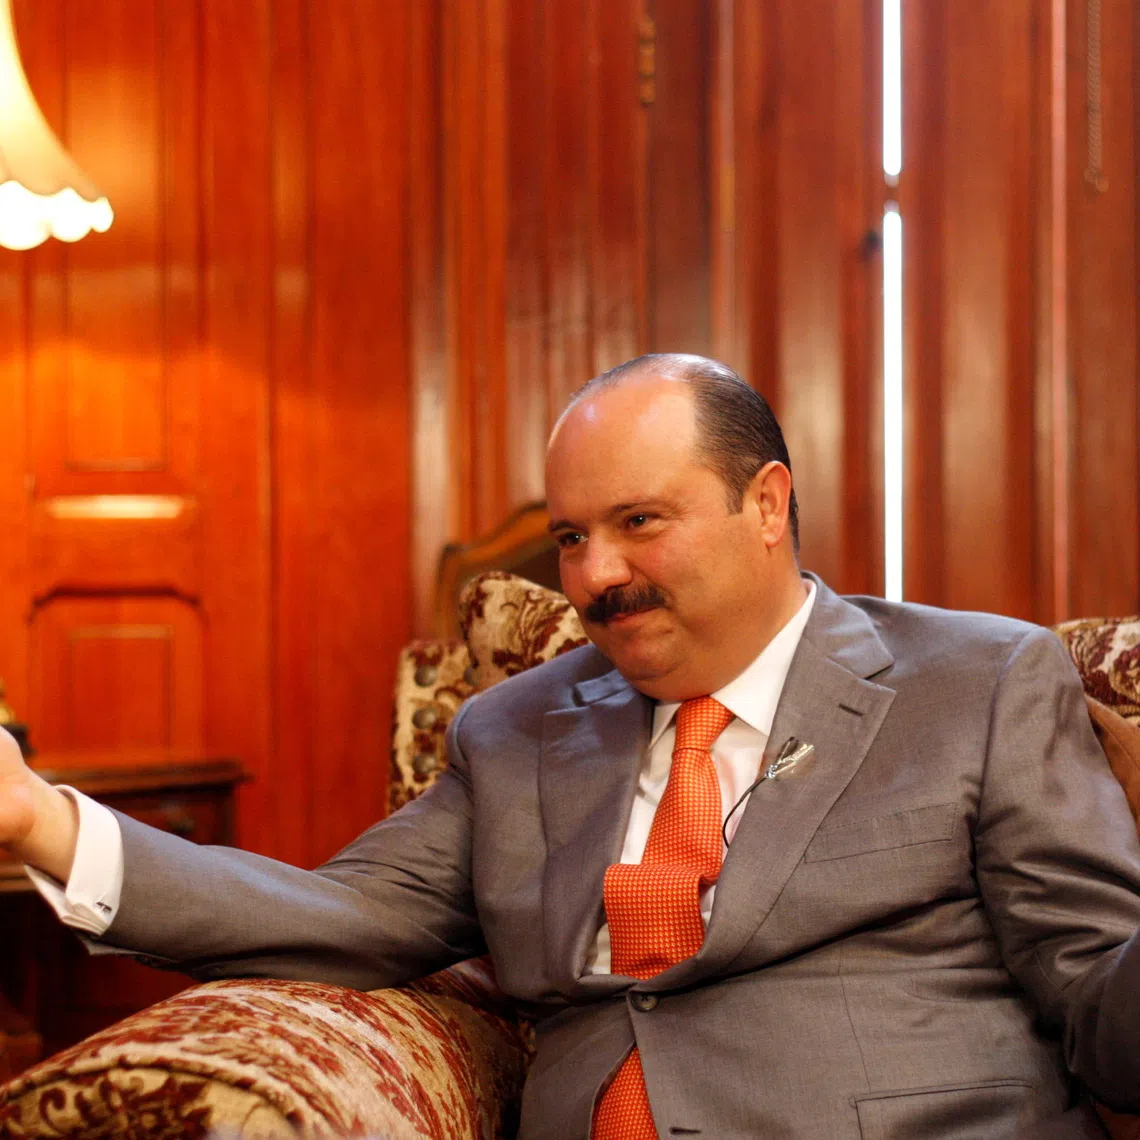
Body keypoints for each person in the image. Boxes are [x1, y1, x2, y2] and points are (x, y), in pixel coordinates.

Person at [3, 353, 1140, 1139]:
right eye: (570, 538)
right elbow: (342, 915)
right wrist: (39, 818)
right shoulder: (515, 731)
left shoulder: (977, 683)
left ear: (767, 504)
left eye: (638, 521)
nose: (595, 576)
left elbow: (1107, 1017)